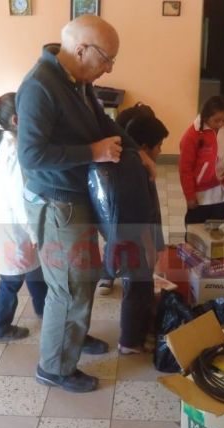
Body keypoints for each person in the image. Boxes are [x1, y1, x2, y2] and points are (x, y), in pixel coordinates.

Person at [17, 15, 155, 393]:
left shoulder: (77, 82)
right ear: (82, 50)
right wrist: (92, 152)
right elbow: (30, 155)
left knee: (86, 276)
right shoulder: (40, 86)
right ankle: (55, 367)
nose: (109, 67)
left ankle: (73, 337)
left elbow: (103, 123)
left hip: (75, 195)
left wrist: (135, 150)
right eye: (107, 59)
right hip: (55, 200)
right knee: (70, 285)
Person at [0, 93, 47, 341]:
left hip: (2, 220)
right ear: (18, 119)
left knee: (34, 270)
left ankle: (43, 308)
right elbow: (21, 200)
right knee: (11, 279)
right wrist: (34, 232)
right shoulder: (17, 152)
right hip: (15, 225)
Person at [114, 114, 169, 354]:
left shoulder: (138, 165)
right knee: (136, 291)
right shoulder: (134, 169)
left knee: (141, 288)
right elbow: (141, 216)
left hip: (139, 241)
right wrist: (150, 247)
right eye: (159, 146)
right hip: (136, 243)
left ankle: (138, 331)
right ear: (145, 146)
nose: (160, 151)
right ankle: (129, 342)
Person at [95, 102, 156, 296]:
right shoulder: (116, 162)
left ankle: (132, 274)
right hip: (113, 214)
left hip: (134, 225)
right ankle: (108, 272)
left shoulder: (143, 167)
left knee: (132, 243)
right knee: (112, 238)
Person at [179, 95, 224, 227]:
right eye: (216, 120)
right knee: (196, 232)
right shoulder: (192, 135)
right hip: (200, 195)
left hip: (222, 191)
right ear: (206, 117)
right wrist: (189, 195)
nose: (220, 124)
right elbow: (185, 169)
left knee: (217, 231)